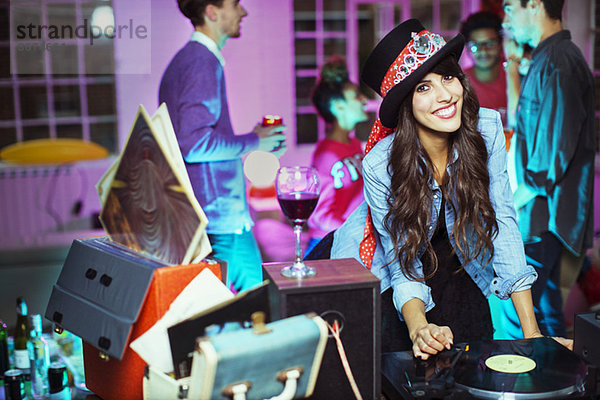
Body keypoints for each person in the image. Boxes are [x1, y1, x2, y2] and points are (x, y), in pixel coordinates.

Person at [330, 19, 572, 359]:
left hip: (459, 258)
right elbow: (403, 261)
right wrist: (420, 328)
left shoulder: (486, 130)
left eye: (447, 76)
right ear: (405, 106)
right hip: (391, 269)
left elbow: (502, 222)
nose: (446, 95)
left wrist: (532, 332)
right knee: (408, 374)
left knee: (476, 363)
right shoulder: (380, 164)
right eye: (423, 88)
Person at [159, 0, 286, 292]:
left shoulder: (184, 61)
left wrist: (256, 140)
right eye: (235, 4)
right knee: (254, 316)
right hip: (221, 219)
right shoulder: (202, 61)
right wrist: (255, 141)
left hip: (203, 215)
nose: (243, 12)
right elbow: (194, 144)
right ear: (212, 12)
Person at [501, 0, 595, 337]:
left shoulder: (559, 61)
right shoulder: (546, 58)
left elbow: (547, 165)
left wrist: (506, 206)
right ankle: (565, 386)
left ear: (536, 4)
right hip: (542, 214)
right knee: (544, 311)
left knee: (516, 317)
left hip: (542, 216)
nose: (507, 17)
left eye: (511, 7)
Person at [306, 56, 368, 255]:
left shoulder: (355, 144)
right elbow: (318, 215)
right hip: (327, 245)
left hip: (349, 241)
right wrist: (358, 232)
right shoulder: (327, 155)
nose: (364, 100)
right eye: (356, 95)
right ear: (337, 105)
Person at [459, 11, 507, 114]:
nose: (484, 51)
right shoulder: (459, 82)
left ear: (500, 44)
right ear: (467, 48)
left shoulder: (515, 75)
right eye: (476, 45)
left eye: (490, 43)